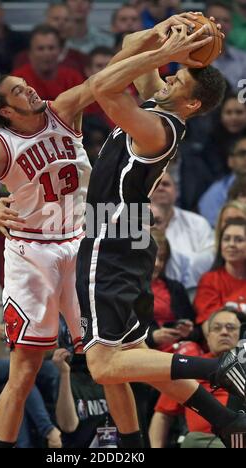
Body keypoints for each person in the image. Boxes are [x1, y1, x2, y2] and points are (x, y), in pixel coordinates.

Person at [0, 15, 161, 446]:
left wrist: (150, 49)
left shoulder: (62, 109)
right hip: (32, 255)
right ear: (6, 111)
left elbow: (102, 79)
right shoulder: (3, 146)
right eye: (16, 90)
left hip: (81, 246)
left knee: (107, 359)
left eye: (23, 83)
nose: (27, 88)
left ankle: (132, 449)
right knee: (24, 369)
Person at [75, 15, 246, 449]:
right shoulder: (159, 102)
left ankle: (217, 368)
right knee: (131, 357)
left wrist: (164, 52)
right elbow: (128, 50)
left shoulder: (158, 129)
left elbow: (101, 88)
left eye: (178, 77)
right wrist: (165, 31)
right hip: (129, 238)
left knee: (102, 366)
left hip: (110, 240)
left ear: (191, 104)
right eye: (171, 71)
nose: (168, 76)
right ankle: (224, 419)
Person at [149, 309, 244, 449]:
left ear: (240, 335)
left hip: (241, 437)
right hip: (202, 441)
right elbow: (163, 414)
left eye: (230, 328)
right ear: (208, 337)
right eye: (217, 328)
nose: (224, 332)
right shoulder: (190, 367)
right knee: (191, 439)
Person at [194, 219, 246, 328]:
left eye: (239, 240)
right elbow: (210, 325)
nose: (231, 244)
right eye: (226, 239)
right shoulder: (210, 280)